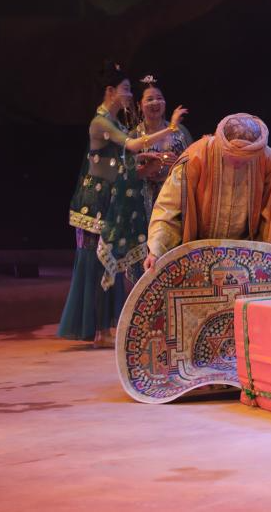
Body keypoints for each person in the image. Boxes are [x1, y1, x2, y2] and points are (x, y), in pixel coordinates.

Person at [59, 61, 186, 347]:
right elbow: (131, 146)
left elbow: (123, 161)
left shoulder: (115, 123)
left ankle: (106, 327)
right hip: (95, 206)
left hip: (112, 202)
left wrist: (143, 163)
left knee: (110, 263)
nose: (129, 94)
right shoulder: (100, 122)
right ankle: (97, 330)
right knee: (96, 264)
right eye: (126, 89)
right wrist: (171, 128)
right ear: (110, 91)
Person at [144, 113, 271, 270]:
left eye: (244, 160)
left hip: (247, 253)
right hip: (201, 252)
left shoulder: (266, 159)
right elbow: (168, 207)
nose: (238, 164)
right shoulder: (196, 157)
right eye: (233, 158)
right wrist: (156, 250)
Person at [132, 75, 193, 219]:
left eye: (159, 98)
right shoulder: (135, 136)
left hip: (177, 198)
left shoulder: (180, 131)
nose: (155, 102)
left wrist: (178, 163)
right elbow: (126, 174)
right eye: (149, 99)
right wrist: (149, 168)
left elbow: (194, 161)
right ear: (139, 105)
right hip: (147, 202)